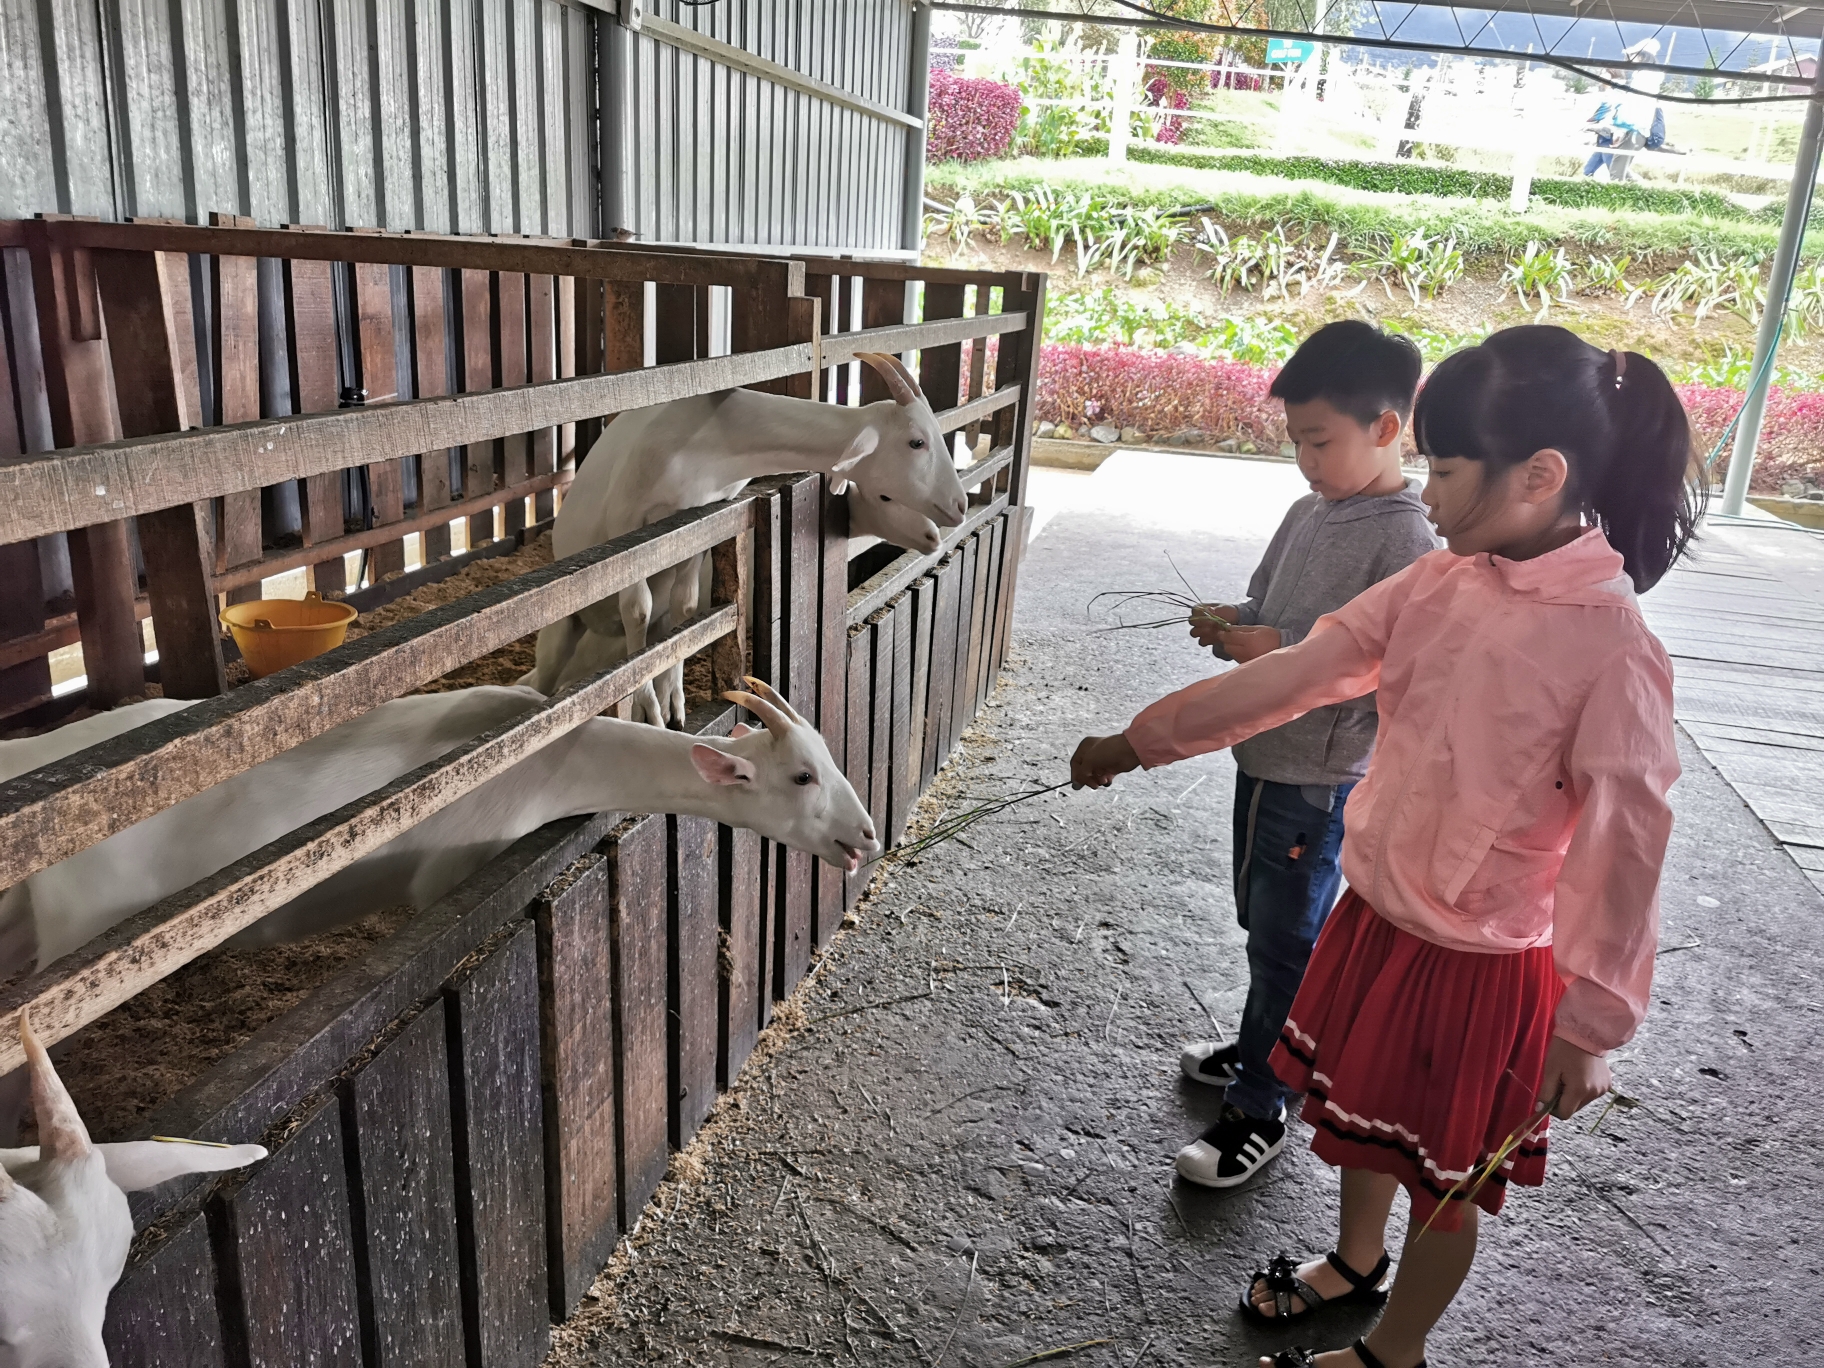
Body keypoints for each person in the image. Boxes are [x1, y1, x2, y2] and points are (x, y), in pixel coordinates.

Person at [1071, 326, 1702, 1368]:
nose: (1431, 492)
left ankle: (1394, 1348)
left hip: (1482, 960)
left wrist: (1589, 1021)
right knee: (1360, 1122)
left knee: (1442, 1179)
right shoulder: (1441, 585)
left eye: (1448, 470)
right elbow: (1299, 673)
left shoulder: (1611, 645)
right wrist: (1145, 740)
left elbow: (1625, 843)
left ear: (1540, 477)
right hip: (1376, 912)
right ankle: (1355, 1262)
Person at [1173, 321, 1436, 1195]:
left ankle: (1265, 1098)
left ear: (1388, 428)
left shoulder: (1407, 541)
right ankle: (1264, 1042)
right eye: (1296, 443)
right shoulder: (1306, 512)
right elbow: (1270, 604)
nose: (1306, 461)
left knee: (1288, 937)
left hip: (1319, 775)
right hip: (1263, 751)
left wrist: (1267, 644)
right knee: (1260, 915)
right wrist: (1235, 619)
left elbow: (1367, 668)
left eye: (1320, 441)